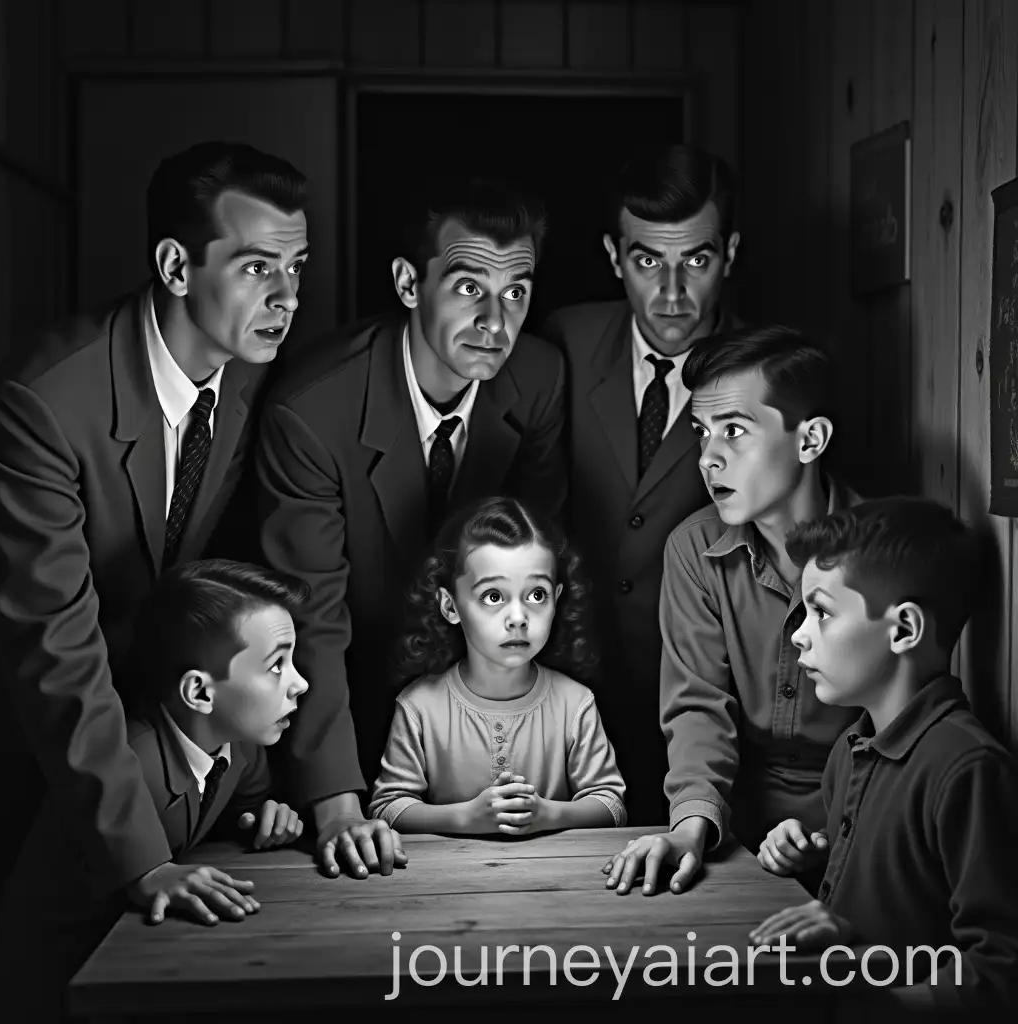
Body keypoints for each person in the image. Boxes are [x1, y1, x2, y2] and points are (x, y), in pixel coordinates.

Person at [0, 141, 308, 920]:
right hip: (34, 734)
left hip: (159, 743)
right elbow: (56, 650)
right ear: (176, 267)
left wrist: (235, 790)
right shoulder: (45, 405)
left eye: (296, 268)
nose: (288, 297)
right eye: (257, 267)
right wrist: (146, 862)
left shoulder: (246, 365)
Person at [256, 178, 568, 874]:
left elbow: (536, 564)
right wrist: (335, 799)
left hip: (482, 716)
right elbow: (312, 616)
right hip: (342, 703)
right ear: (407, 283)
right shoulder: (313, 412)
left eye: (516, 291)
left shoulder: (539, 379)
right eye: (467, 288)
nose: (497, 320)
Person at [602, 325, 862, 896]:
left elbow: (898, 727)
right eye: (701, 433)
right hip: (735, 836)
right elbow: (697, 707)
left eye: (734, 431)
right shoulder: (694, 551)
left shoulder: (879, 553)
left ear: (810, 439)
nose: (707, 458)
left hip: (865, 828)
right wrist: (690, 829)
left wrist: (831, 833)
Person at [0, 559, 310, 1021]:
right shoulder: (131, 768)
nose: (300, 683)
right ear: (199, 693)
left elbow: (242, 807)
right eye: (276, 665)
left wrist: (263, 816)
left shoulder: (240, 748)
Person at [540, 144, 742, 823]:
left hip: (710, 700)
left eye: (698, 260)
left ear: (731, 253)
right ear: (612, 254)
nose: (673, 292)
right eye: (648, 261)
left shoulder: (771, 373)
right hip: (564, 693)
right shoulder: (560, 341)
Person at [752, 498, 1018, 1014]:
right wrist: (814, 859)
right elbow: (895, 897)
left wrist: (872, 998)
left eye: (821, 612)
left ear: (903, 630)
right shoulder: (852, 749)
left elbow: (999, 966)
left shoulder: (968, 769)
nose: (799, 634)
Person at [368, 496, 625, 833]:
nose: (518, 618)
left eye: (536, 595)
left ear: (557, 599)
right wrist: (464, 818)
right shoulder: (418, 707)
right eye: (493, 596)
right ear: (450, 606)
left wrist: (548, 815)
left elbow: (611, 805)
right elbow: (387, 808)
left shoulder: (575, 703)